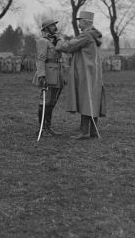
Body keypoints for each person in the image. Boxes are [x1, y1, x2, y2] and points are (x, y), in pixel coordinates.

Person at [55, 10, 106, 140]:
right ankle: (93, 131)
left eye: (80, 21)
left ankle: (84, 132)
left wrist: (59, 42)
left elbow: (68, 47)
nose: (78, 24)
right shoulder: (94, 36)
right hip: (93, 72)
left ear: (85, 21)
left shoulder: (86, 36)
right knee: (92, 98)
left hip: (85, 72)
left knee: (85, 98)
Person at [32, 17, 64, 137]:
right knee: (45, 101)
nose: (55, 27)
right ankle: (42, 128)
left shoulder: (55, 40)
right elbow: (40, 59)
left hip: (57, 72)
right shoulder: (42, 41)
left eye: (55, 25)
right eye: (52, 26)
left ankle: (48, 126)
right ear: (46, 28)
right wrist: (42, 76)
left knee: (52, 101)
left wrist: (59, 41)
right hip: (48, 72)